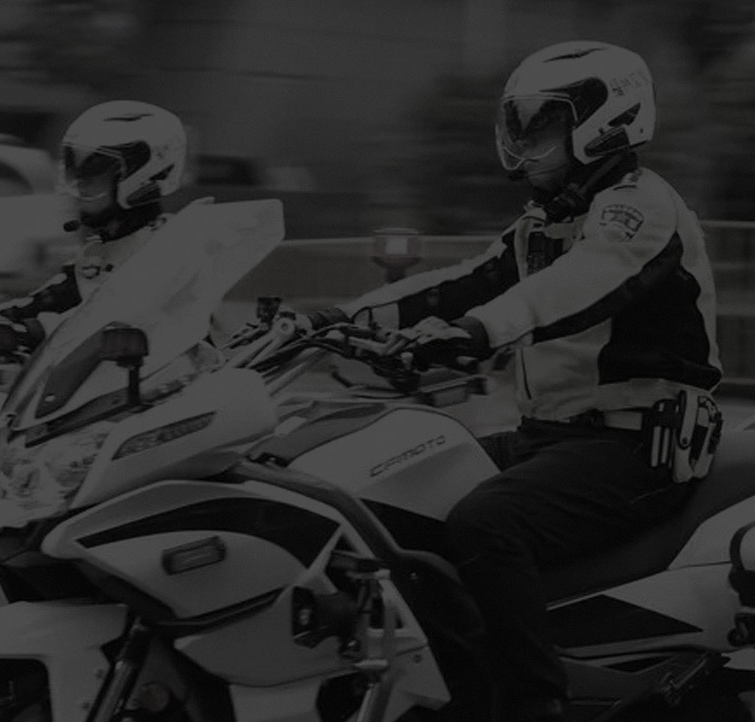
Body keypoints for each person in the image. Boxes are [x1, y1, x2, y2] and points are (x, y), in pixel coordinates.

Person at [307, 41, 722, 722]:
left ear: (607, 122)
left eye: (545, 125)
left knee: (487, 523)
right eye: (521, 125)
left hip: (636, 444)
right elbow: (466, 280)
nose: (527, 142)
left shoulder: (640, 207)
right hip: (549, 437)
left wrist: (476, 331)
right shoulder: (546, 220)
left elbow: (575, 287)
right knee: (390, 496)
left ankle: (532, 704)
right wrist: (334, 319)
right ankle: (451, 694)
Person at [0, 99, 193, 344]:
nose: (81, 183)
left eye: (96, 170)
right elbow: (41, 302)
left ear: (145, 175)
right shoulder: (97, 254)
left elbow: (115, 316)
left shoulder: (172, 249)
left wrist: (31, 330)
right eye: (74, 168)